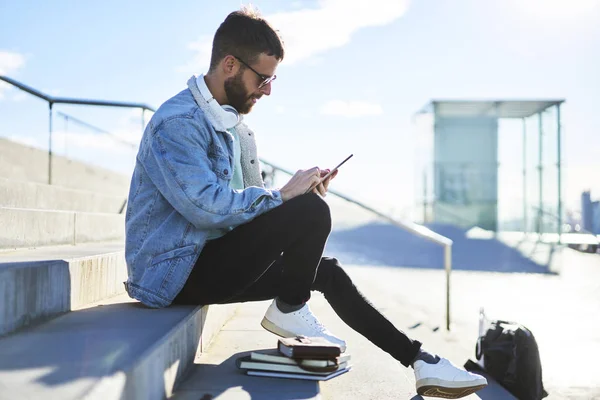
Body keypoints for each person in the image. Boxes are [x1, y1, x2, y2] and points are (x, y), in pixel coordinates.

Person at [124, 6, 487, 398]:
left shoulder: (237, 130)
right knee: (310, 213)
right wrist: (285, 198)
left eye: (271, 78)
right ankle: (290, 308)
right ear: (230, 65)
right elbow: (205, 207)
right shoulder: (177, 123)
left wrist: (296, 199)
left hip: (210, 258)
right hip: (172, 274)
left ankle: (419, 361)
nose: (268, 89)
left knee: (324, 266)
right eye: (262, 78)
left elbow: (249, 214)